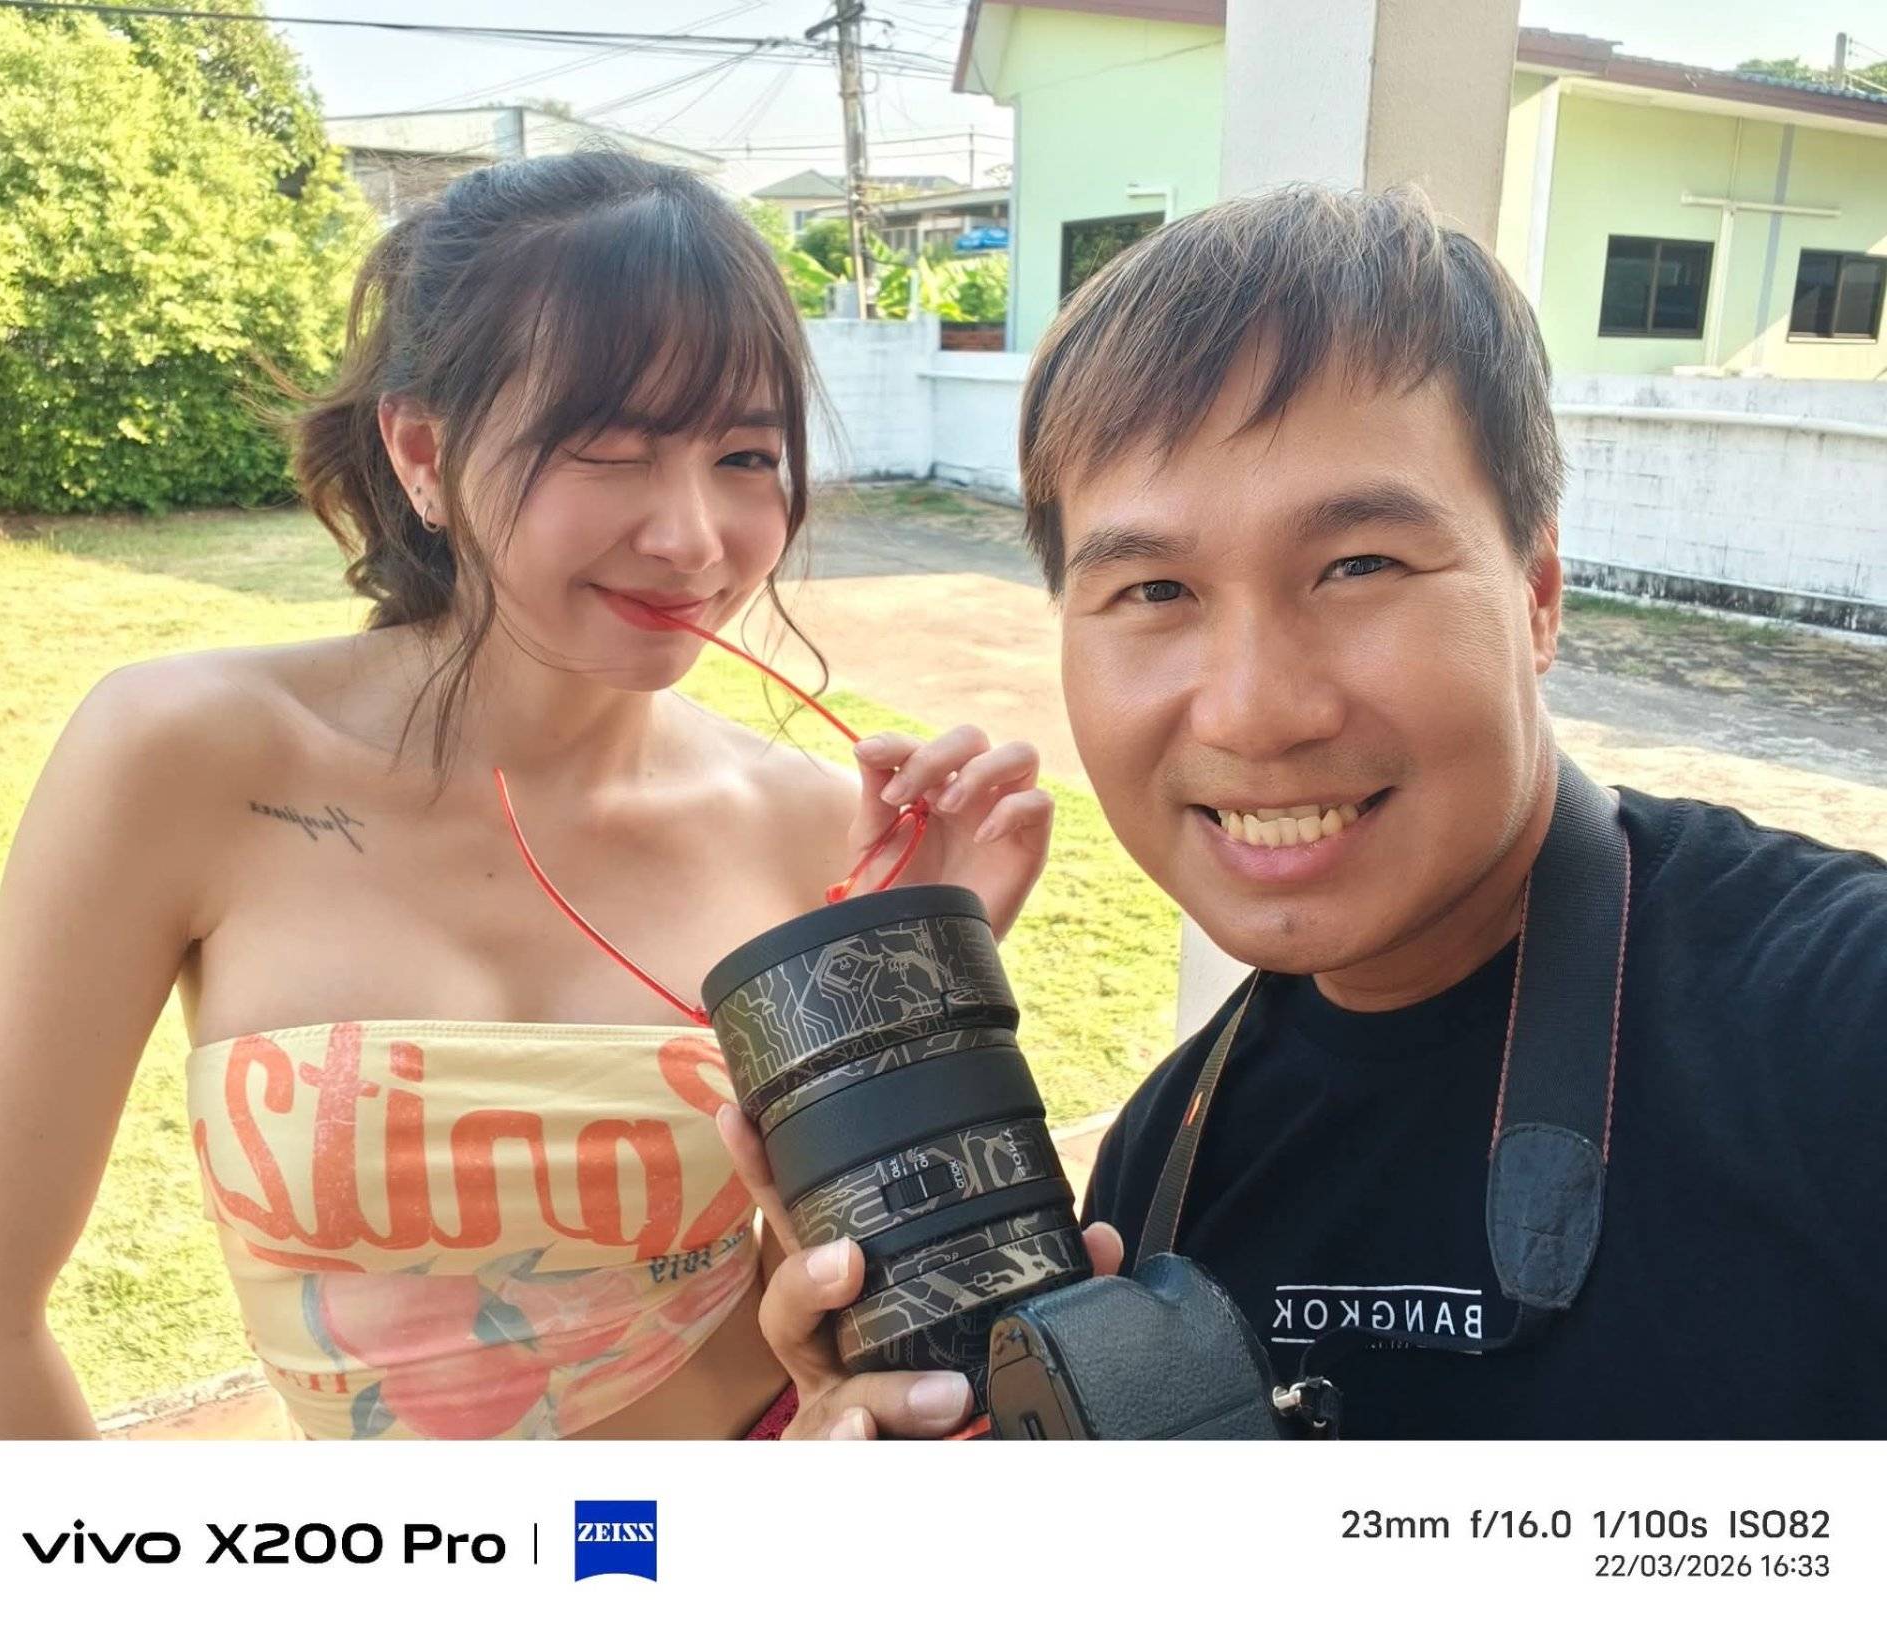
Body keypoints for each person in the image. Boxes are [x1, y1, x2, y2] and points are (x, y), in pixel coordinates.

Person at [741, 184, 1887, 1439]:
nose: (1252, 713)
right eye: (1155, 589)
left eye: (1359, 566)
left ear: (1539, 595)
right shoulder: (1162, 1165)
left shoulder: (1838, 1026)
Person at [0, 149, 1056, 1440]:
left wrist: (915, 984)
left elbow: (863, 1311)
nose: (694, 537)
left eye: (745, 454)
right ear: (423, 452)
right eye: (609, 450)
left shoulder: (820, 828)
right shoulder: (189, 758)